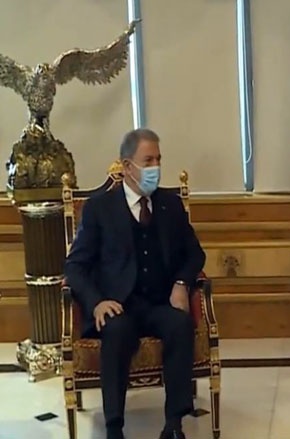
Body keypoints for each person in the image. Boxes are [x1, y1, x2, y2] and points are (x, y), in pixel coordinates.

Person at [64, 128, 206, 439]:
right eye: (148, 160)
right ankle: (114, 426)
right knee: (116, 331)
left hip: (159, 302)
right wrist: (96, 302)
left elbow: (195, 253)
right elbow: (74, 266)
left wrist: (181, 283)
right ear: (128, 166)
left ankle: (174, 422)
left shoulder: (170, 205)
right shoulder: (100, 208)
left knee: (180, 325)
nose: (156, 167)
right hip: (118, 305)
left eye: (159, 160)